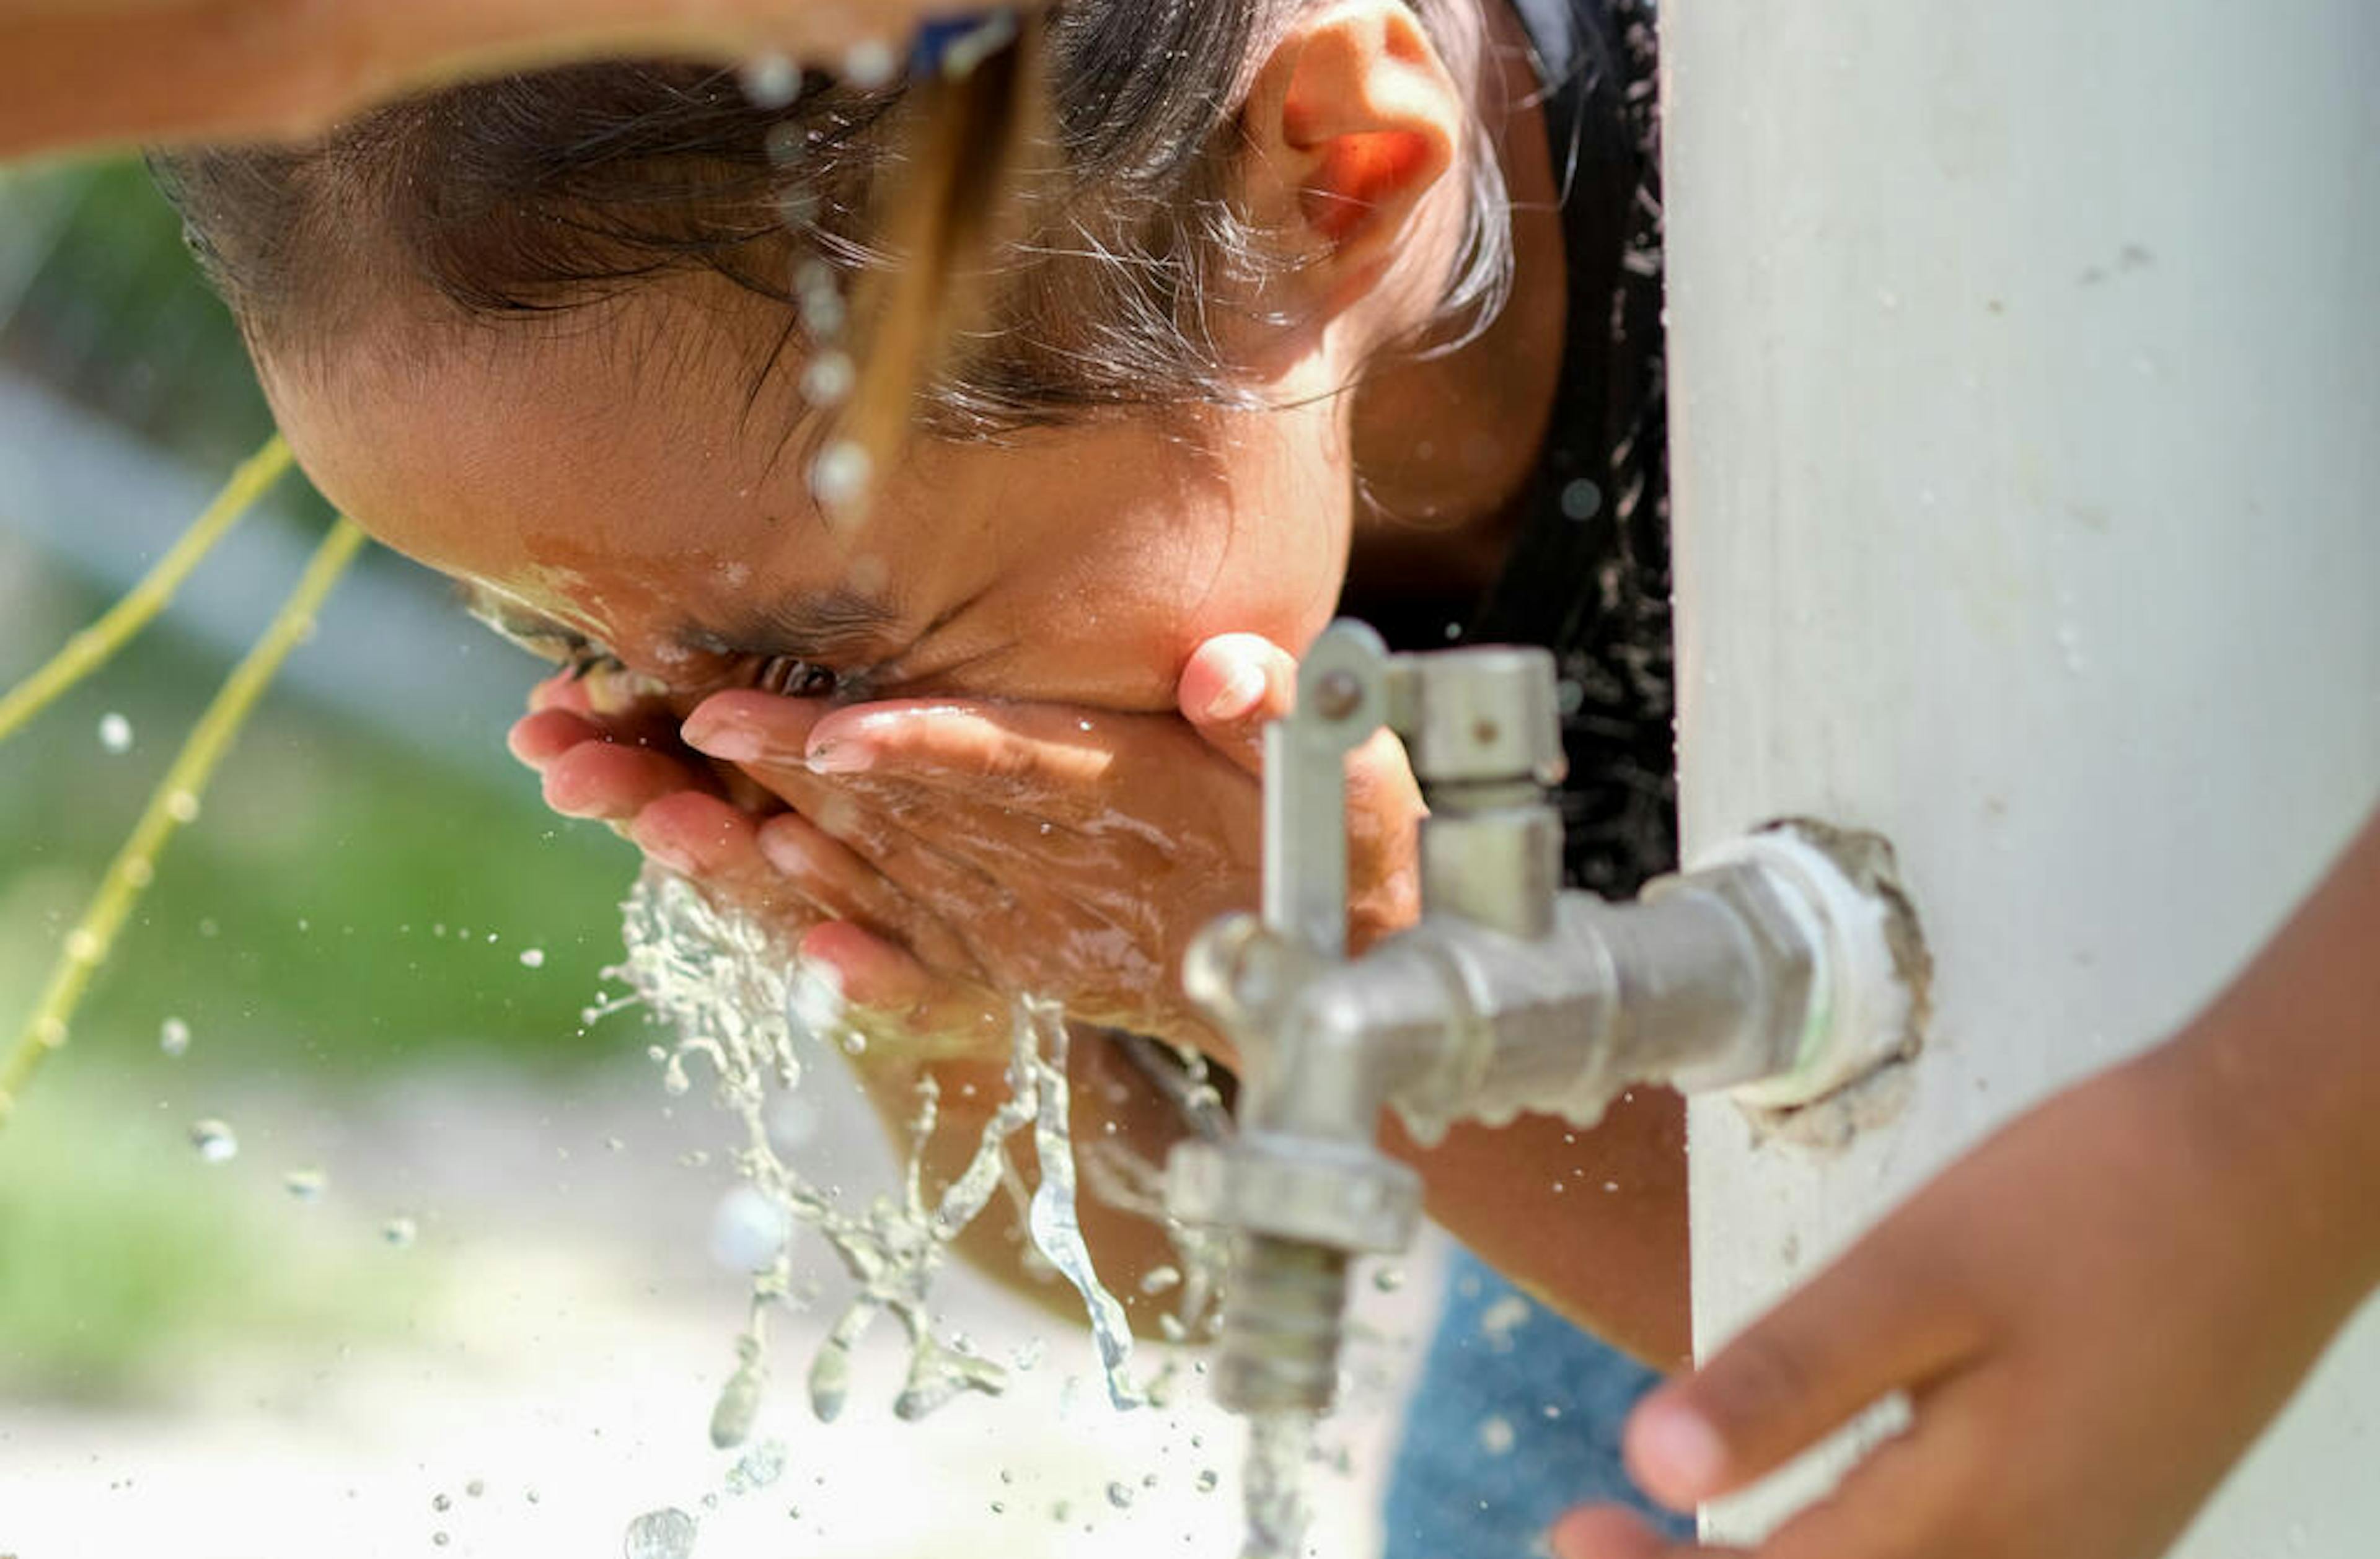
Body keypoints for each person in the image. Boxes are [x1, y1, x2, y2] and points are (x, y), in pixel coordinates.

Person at [8, 2, 2374, 1556]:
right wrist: (938, 984)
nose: (706, 721)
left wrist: (1366, 965)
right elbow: (1140, 1276)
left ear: (1329, 174)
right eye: (555, 640)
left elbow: (1981, 1300)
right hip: (1661, 1212)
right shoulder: (1074, 493)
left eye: (806, 649)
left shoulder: (1904, 202)